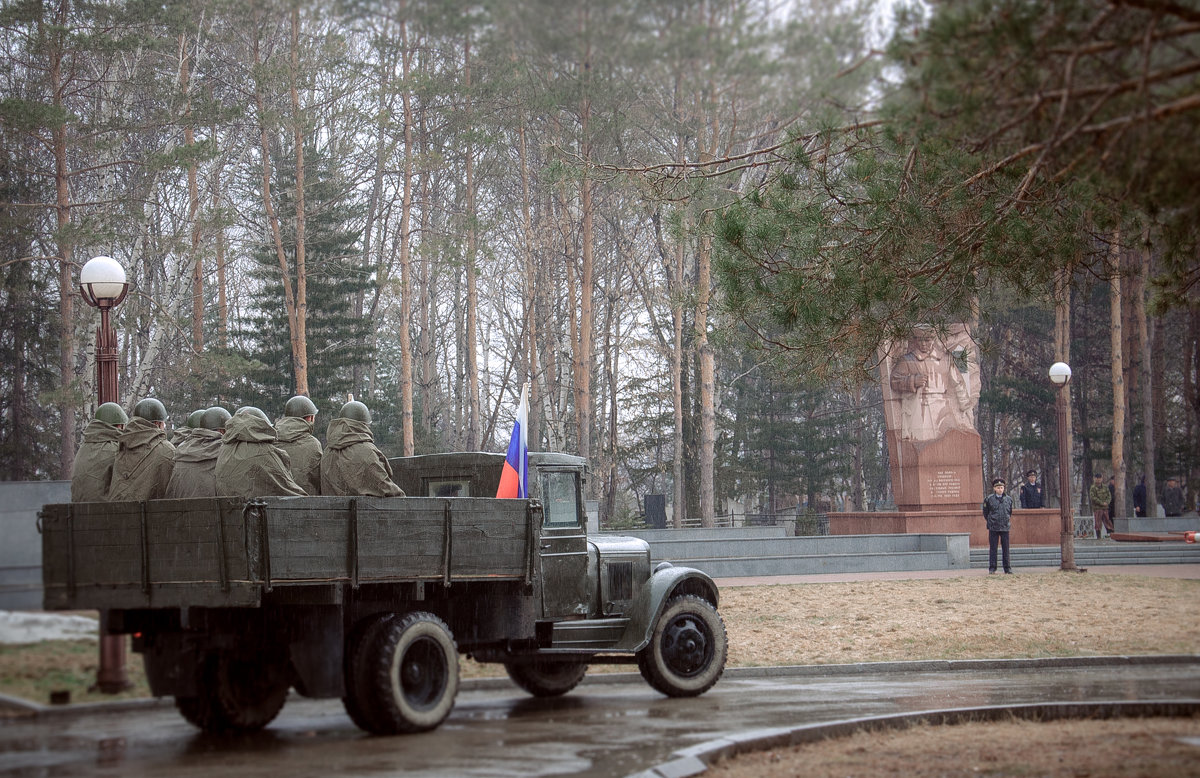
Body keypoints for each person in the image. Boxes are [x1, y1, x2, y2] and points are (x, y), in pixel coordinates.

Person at [214, 406, 307, 498]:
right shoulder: (264, 452)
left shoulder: (224, 450)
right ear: (262, 427)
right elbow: (290, 491)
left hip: (231, 511)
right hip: (258, 511)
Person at [321, 401, 405, 497]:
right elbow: (386, 489)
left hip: (330, 510)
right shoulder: (367, 451)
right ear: (364, 424)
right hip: (363, 511)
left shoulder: (328, 451)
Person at [107, 398, 176, 501]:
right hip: (152, 514)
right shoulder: (167, 450)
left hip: (116, 513)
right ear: (157, 424)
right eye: (163, 424)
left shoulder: (121, 445)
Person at [164, 406, 230, 499]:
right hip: (213, 511)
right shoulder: (225, 452)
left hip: (178, 510)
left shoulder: (181, 450)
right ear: (221, 431)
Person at [70, 402, 128, 502]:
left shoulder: (83, 448)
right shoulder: (116, 449)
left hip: (79, 512)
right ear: (119, 426)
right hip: (105, 513)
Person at [275, 395, 322, 495]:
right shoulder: (313, 444)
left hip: (275, 502)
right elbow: (318, 478)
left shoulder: (272, 438)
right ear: (310, 418)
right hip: (307, 503)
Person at [982, 477, 1013, 574]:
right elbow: (985, 513)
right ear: (994, 489)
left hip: (1005, 526)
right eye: (998, 487)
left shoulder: (1009, 499)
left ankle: (1007, 568)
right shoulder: (989, 499)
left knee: (1006, 549)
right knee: (993, 548)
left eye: (1002, 487)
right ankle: (992, 568)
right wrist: (991, 520)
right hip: (993, 527)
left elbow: (1010, 512)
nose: (1000, 489)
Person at [1089, 472, 1114, 538]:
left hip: (1105, 508)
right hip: (1097, 508)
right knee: (1098, 523)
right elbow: (1093, 497)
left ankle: (1111, 535)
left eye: (1100, 478)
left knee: (1107, 521)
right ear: (1094, 479)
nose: (1098, 480)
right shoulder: (1093, 488)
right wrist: (1101, 503)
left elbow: (1109, 495)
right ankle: (1098, 536)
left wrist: (1107, 502)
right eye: (1097, 478)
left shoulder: (1105, 487)